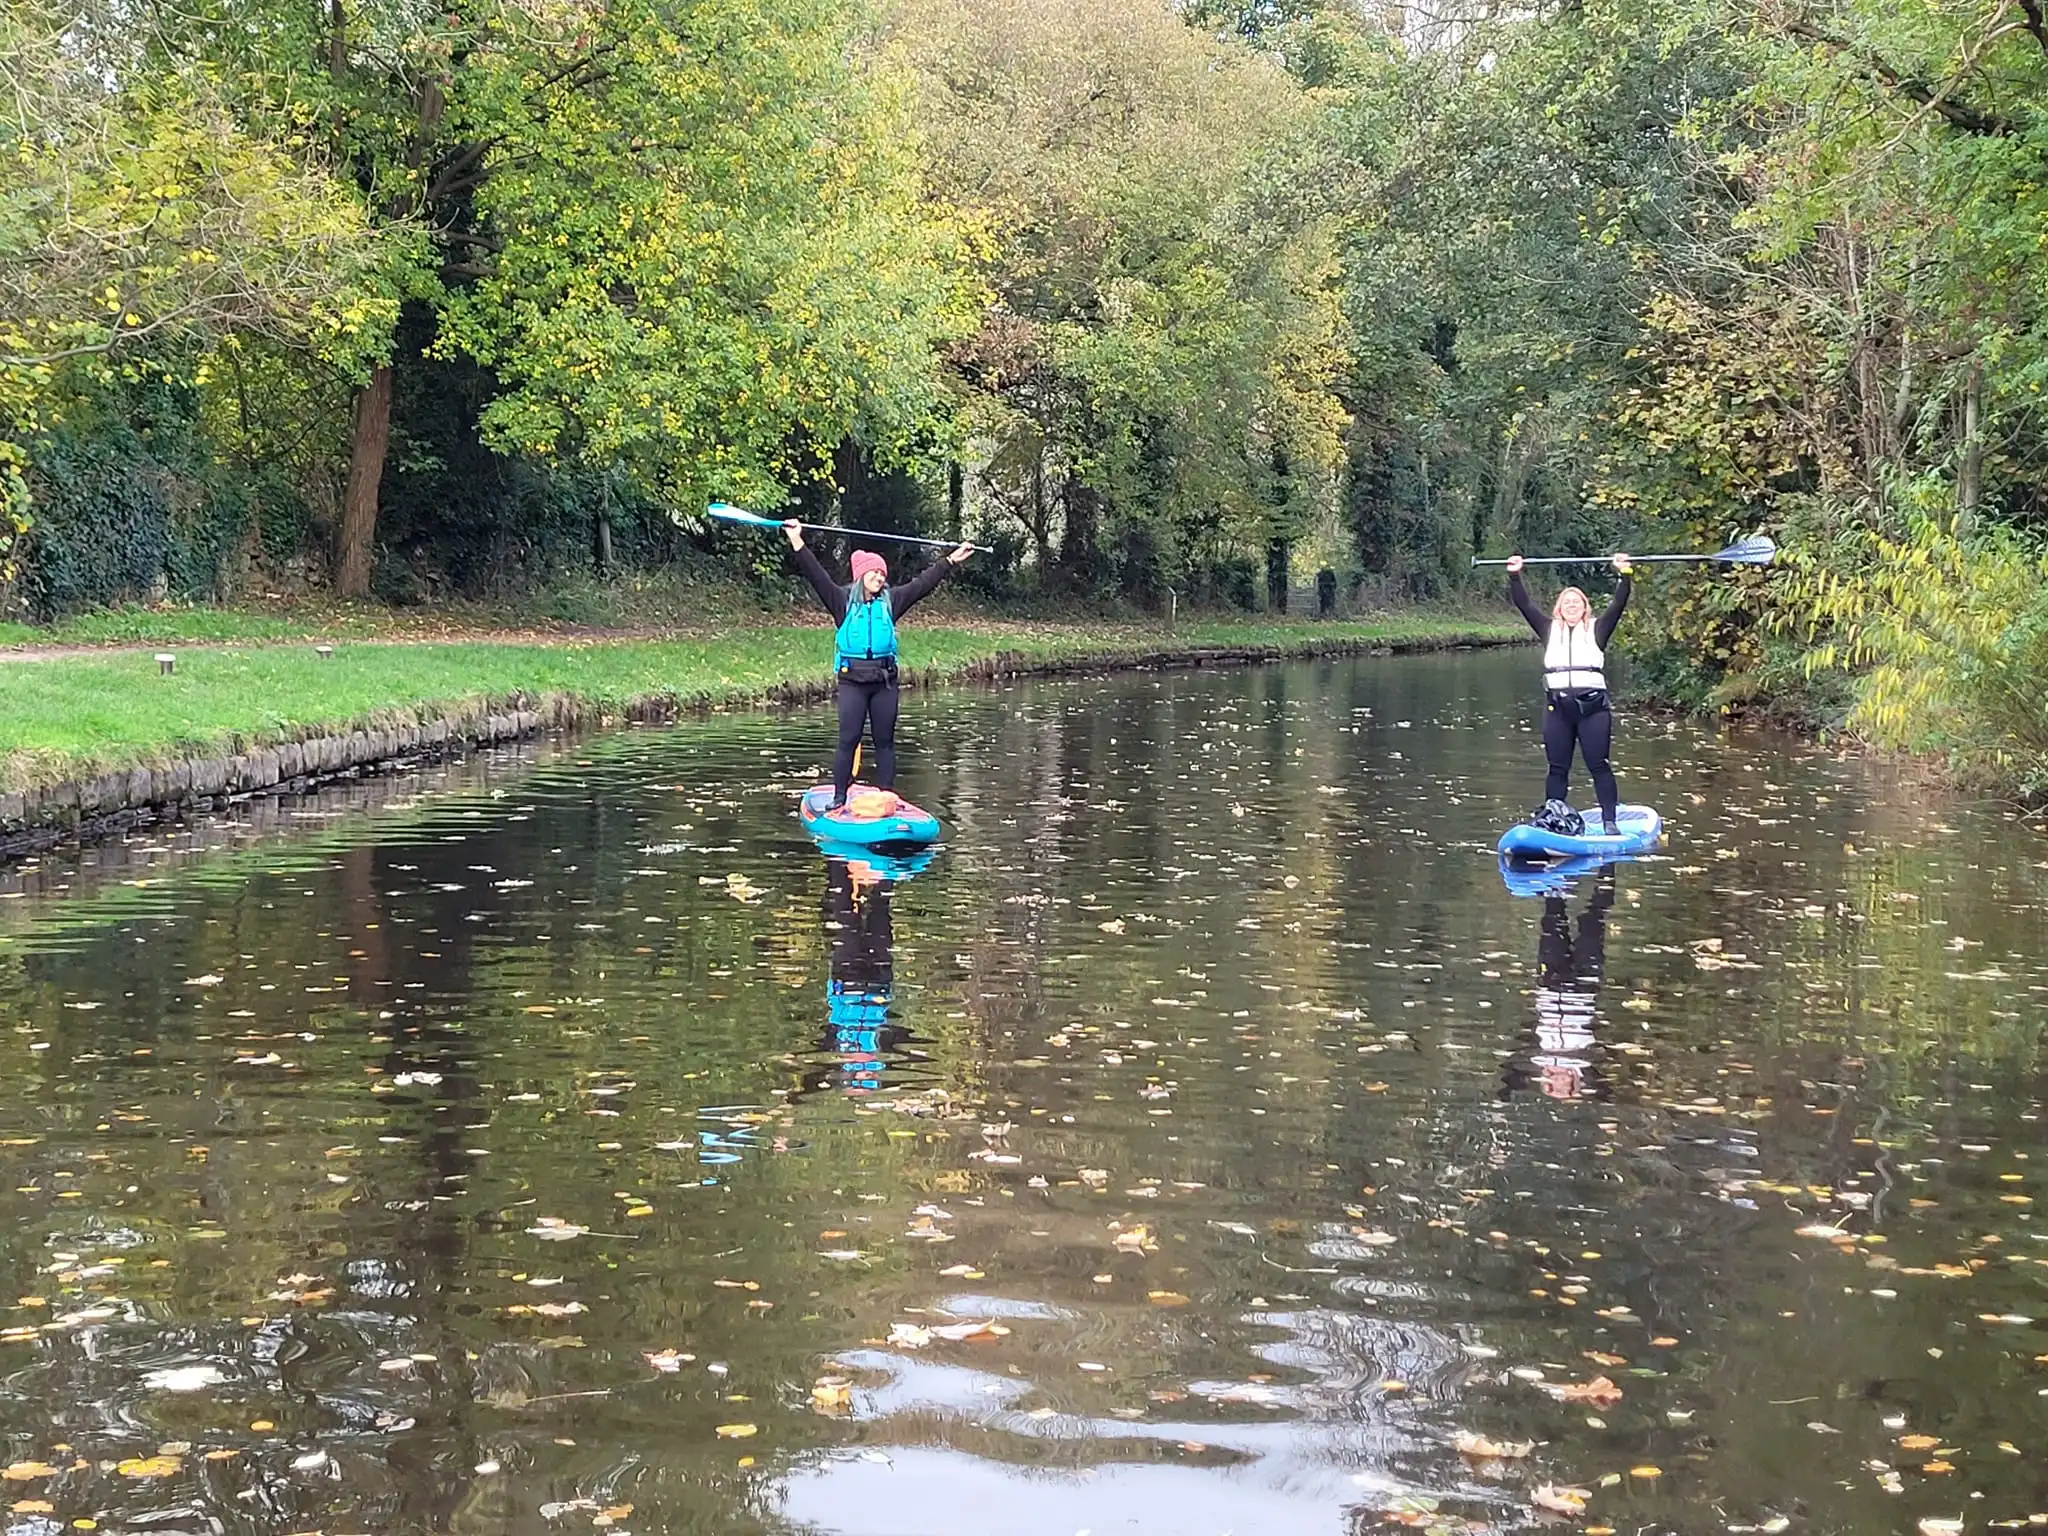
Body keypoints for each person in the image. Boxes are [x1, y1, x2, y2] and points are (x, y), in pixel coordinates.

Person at [785, 520, 974, 808]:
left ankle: (887, 796)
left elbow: (922, 585)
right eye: (874, 572)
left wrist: (949, 561)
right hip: (853, 682)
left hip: (884, 682)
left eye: (882, 573)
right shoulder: (841, 600)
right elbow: (815, 574)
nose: (879, 577)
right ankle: (839, 798)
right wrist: (797, 540)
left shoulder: (891, 601)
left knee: (885, 742)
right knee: (848, 740)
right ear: (861, 575)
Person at [1507, 552, 1632, 835]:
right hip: (1558, 709)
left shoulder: (1597, 629)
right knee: (1557, 767)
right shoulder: (1548, 629)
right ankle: (1554, 819)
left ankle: (1609, 822)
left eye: (1577, 602)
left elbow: (1618, 604)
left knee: (1598, 765)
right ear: (1559, 609)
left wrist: (1624, 574)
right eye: (1567, 602)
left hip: (1593, 709)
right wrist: (1514, 575)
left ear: (1585, 608)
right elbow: (1523, 603)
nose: (1572, 605)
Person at [1501, 865, 1615, 1102]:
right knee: (1594, 921)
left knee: (1553, 919)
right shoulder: (1583, 1061)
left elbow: (1516, 1064)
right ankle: (1608, 869)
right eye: (1562, 1084)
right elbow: (1601, 1085)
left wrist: (1508, 1089)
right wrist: (1599, 1098)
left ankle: (1555, 870)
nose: (1555, 1080)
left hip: (1550, 983)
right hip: (1584, 984)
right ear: (1574, 1081)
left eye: (1552, 1085)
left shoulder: (1538, 1056)